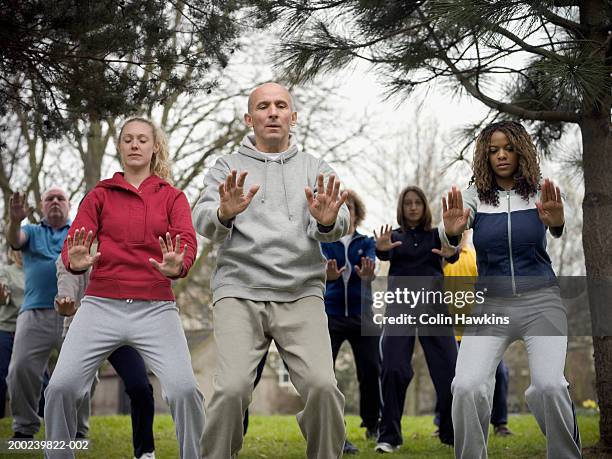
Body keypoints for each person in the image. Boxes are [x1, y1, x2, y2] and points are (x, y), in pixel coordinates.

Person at [193, 82, 349, 459]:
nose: (273, 112)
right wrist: (223, 213)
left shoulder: (314, 167)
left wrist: (327, 223)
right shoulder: (227, 166)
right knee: (230, 390)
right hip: (239, 290)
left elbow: (339, 217)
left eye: (281, 105)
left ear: (293, 117)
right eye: (263, 106)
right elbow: (201, 216)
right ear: (250, 118)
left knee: (323, 386)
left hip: (300, 292)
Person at [44, 117, 203, 459]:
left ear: (154, 147)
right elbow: (76, 242)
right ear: (119, 147)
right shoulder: (100, 193)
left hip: (156, 307)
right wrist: (75, 258)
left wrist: (180, 263)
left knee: (185, 391)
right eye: (128, 139)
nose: (135, 145)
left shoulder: (173, 197)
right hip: (101, 305)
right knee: (59, 388)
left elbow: (187, 241)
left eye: (142, 140)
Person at [442, 120, 581, 459]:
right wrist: (451, 233)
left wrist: (557, 221)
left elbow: (556, 225)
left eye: (508, 148)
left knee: (549, 386)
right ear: (485, 157)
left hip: (541, 302)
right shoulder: (474, 196)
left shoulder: (541, 191)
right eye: (493, 151)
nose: (501, 156)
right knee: (465, 386)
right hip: (491, 307)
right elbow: (453, 236)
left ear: (521, 150)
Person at [374, 185, 459, 453]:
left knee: (449, 371)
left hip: (434, 310)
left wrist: (452, 253)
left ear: (424, 207)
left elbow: (452, 248)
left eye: (417, 203)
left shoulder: (436, 236)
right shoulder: (395, 238)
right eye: (408, 203)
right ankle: (389, 436)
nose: (413, 207)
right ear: (402, 207)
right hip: (400, 310)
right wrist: (381, 250)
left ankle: (451, 432)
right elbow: (384, 252)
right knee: (393, 369)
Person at [5, 187, 90, 439]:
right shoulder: (30, 232)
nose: (55, 202)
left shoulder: (80, 231)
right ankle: (24, 427)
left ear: (69, 204)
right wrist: (15, 220)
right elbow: (14, 239)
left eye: (60, 198)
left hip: (75, 312)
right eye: (49, 199)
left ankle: (77, 429)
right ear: (41, 206)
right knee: (20, 369)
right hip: (34, 313)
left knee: (84, 371)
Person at [55, 251, 156, 459]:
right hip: (83, 328)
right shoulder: (77, 246)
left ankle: (145, 451)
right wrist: (67, 299)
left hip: (119, 328)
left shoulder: (122, 245)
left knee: (141, 388)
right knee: (68, 389)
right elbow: (68, 275)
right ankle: (63, 444)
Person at [433, 231, 513, 437]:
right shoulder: (442, 256)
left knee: (500, 373)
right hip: (449, 330)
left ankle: (500, 423)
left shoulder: (476, 257)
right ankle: (442, 423)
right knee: (448, 376)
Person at [322, 189, 380, 454]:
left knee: (370, 371)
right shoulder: (324, 241)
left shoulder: (366, 241)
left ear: (357, 214)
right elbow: (317, 273)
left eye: (351, 209)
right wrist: (327, 277)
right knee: (326, 376)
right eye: (341, 208)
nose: (346, 213)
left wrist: (368, 274)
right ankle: (337, 431)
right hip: (330, 316)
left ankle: (372, 423)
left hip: (361, 315)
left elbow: (373, 268)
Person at [0, 249, 23, 418]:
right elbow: (4, 298)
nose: (21, 253)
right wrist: (2, 294)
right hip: (6, 330)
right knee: (1, 376)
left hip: (30, 330)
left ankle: (44, 416)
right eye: (17, 250)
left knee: (38, 378)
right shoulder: (7, 271)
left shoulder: (36, 270)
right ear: (11, 252)